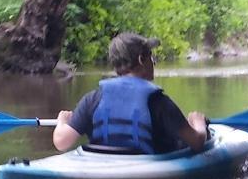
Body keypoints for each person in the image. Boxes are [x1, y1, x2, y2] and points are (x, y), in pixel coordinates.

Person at [53, 32, 209, 154]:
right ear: (141, 60)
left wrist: (62, 122)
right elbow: (197, 142)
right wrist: (199, 123)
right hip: (149, 171)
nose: (154, 63)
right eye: (151, 57)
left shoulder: (93, 99)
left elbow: (61, 142)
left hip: (101, 165)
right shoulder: (158, 102)